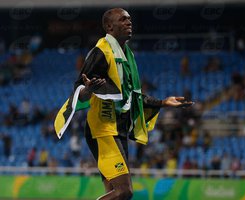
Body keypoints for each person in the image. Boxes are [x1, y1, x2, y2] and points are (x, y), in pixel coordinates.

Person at [54, 8, 193, 200]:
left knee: (113, 192)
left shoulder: (128, 56)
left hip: (118, 128)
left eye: (130, 20)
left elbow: (131, 96)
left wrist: (162, 102)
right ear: (109, 26)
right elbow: (80, 89)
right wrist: (89, 90)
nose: (129, 23)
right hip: (103, 129)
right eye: (123, 20)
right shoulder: (101, 52)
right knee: (124, 191)